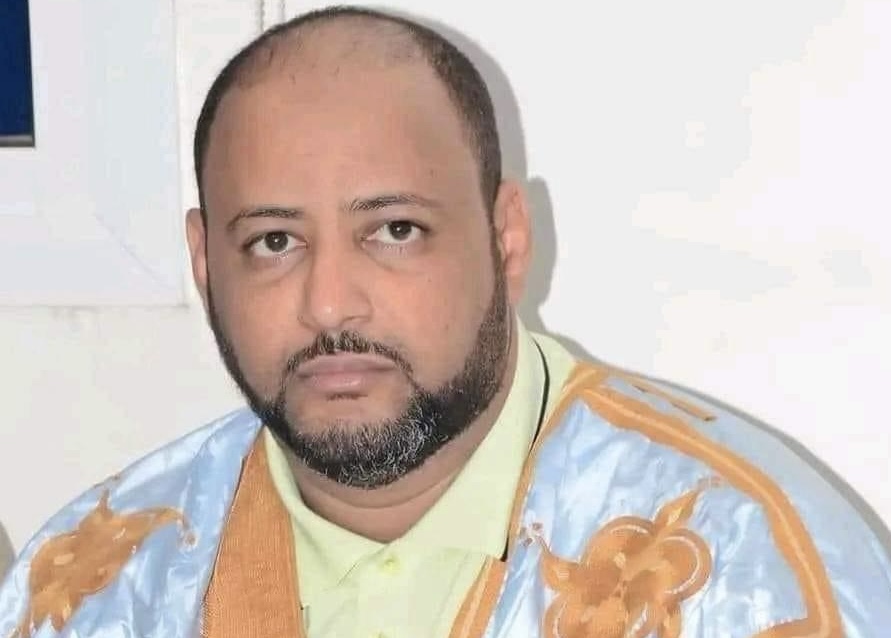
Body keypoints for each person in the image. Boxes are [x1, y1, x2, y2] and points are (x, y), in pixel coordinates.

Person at [2, 5, 890, 637]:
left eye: (394, 231)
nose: (329, 302)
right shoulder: (91, 589)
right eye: (274, 242)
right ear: (204, 264)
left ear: (507, 238)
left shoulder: (748, 571)